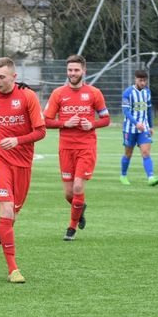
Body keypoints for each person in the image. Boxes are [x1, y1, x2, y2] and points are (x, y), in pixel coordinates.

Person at [0, 57, 45, 283]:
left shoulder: (27, 96)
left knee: (9, 219)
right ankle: (13, 268)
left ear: (14, 77)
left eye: (1, 77)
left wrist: (18, 140)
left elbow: (40, 132)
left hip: (22, 164)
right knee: (6, 212)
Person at [43, 54, 110, 241]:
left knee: (78, 186)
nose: (72, 73)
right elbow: (46, 121)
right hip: (66, 147)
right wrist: (65, 123)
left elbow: (106, 119)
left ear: (83, 71)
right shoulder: (58, 94)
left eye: (76, 70)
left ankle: (71, 228)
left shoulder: (94, 93)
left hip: (86, 147)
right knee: (69, 193)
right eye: (70, 70)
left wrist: (92, 125)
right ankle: (80, 208)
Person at [120, 69, 158, 186]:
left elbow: (148, 110)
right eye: (140, 80)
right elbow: (126, 111)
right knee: (128, 153)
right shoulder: (128, 93)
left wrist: (151, 126)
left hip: (144, 129)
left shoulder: (147, 92)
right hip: (130, 129)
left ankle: (151, 177)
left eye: (144, 80)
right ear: (135, 79)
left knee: (146, 153)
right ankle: (123, 175)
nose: (143, 83)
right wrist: (136, 123)